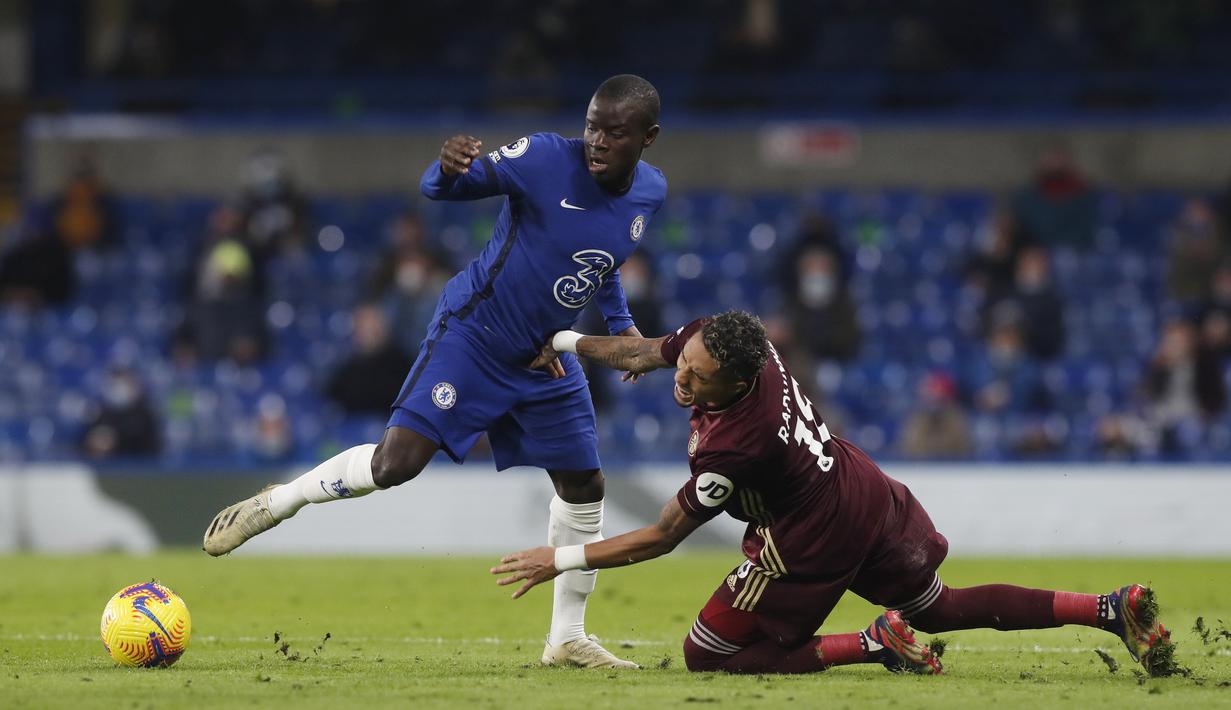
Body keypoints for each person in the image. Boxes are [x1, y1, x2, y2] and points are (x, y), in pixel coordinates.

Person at [202, 74, 667, 669]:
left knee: (584, 487)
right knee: (395, 465)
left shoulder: (649, 193)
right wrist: (448, 169)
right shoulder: (549, 157)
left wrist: (620, 321)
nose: (597, 142)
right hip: (475, 335)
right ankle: (281, 501)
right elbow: (440, 188)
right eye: (591, 126)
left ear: (647, 139)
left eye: (614, 133)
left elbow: (602, 261)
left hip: (547, 355)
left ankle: (566, 639)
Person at [492, 312, 1172, 675]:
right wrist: (561, 339)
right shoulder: (730, 342)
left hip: (811, 534)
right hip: (859, 485)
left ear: (734, 384)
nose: (683, 381)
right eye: (687, 365)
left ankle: (873, 644)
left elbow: (663, 536)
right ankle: (1110, 609)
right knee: (937, 607)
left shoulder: (737, 442)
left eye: (698, 380)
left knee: (707, 654)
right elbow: (644, 352)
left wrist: (559, 560)